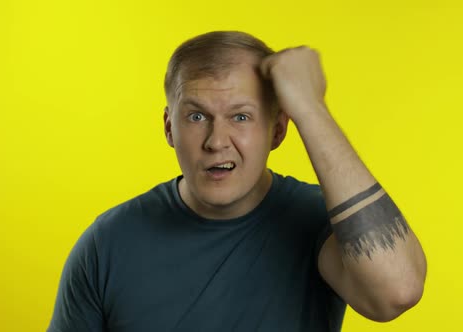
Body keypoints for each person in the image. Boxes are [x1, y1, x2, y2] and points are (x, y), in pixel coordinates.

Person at [47, 31, 427, 332]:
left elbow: (397, 291)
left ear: (278, 131)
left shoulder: (319, 223)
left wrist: (311, 108)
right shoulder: (107, 244)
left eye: (241, 117)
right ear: (169, 128)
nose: (216, 141)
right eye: (197, 117)